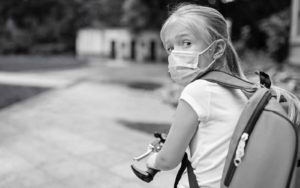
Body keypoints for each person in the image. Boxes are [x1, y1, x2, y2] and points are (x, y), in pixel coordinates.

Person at [146, 3, 300, 188]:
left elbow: (167, 160)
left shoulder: (198, 91)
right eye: (170, 48)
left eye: (186, 43)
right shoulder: (245, 91)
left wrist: (151, 161)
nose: (176, 53)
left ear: (218, 49)